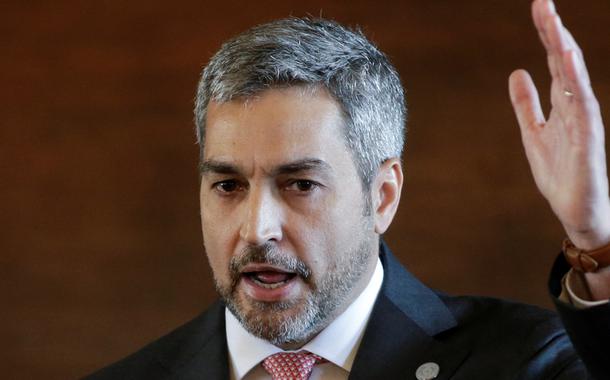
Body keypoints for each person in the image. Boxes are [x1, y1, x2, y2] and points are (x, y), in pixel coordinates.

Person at [87, 0, 610, 378]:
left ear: (382, 196)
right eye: (228, 184)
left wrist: (594, 241)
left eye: (300, 184)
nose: (256, 228)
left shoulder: (530, 363)